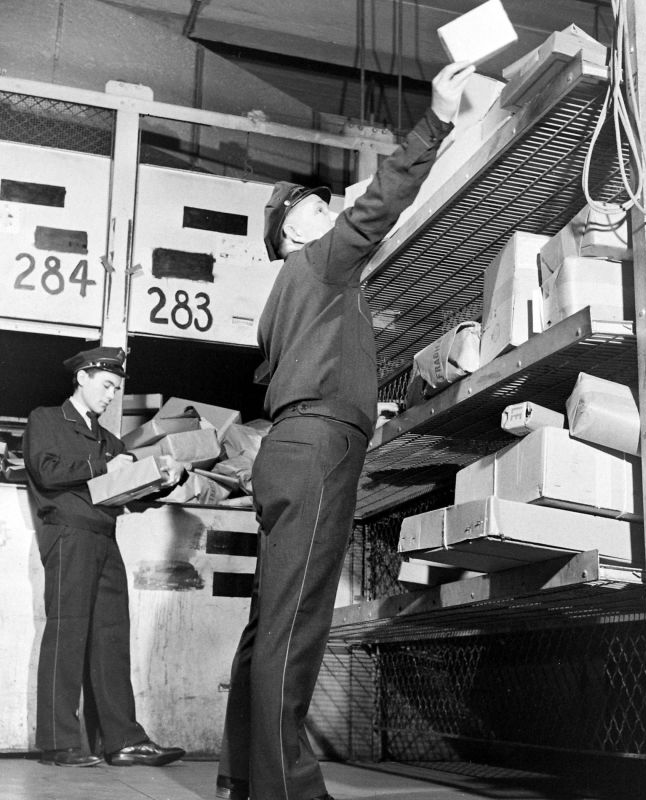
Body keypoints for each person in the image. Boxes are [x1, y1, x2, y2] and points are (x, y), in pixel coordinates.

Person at [216, 61, 475, 800]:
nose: (332, 212)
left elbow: (305, 374)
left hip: (293, 447)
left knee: (269, 623)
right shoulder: (319, 265)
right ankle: (286, 789)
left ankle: (244, 776)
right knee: (297, 628)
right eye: (317, 208)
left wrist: (362, 404)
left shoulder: (286, 298)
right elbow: (379, 206)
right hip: (317, 451)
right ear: (293, 226)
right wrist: (439, 120)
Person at [24, 345, 186, 768]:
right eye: (107, 385)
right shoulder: (45, 420)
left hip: (104, 537)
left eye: (117, 388)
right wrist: (104, 466)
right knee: (67, 635)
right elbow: (46, 470)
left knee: (111, 641)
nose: (112, 394)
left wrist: (161, 481)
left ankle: (122, 741)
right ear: (82, 377)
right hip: (69, 535)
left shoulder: (109, 440)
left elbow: (129, 498)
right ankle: (59, 744)